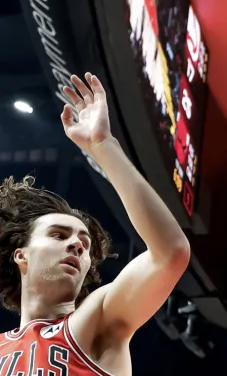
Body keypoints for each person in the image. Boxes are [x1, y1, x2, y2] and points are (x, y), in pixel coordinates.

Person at [0, 73, 191, 375]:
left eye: (84, 243)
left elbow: (170, 253)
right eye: (58, 235)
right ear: (21, 255)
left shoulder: (97, 318)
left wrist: (103, 145)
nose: (76, 245)